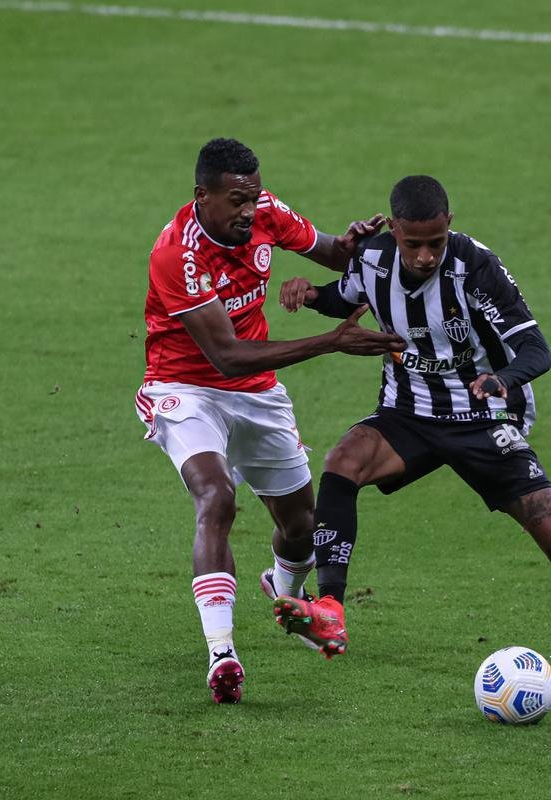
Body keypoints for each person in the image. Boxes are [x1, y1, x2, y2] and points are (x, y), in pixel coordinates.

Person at [273, 175, 551, 704]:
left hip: (484, 416)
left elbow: (535, 349)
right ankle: (331, 612)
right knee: (343, 462)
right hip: (407, 412)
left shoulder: (475, 267)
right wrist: (309, 293)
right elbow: (346, 298)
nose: (427, 255)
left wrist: (503, 379)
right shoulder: (371, 257)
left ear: (449, 226)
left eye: (436, 242)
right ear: (395, 231)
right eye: (414, 244)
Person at [134, 138, 405, 704]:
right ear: (201, 196)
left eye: (252, 199)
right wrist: (331, 341)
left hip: (256, 393)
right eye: (235, 201)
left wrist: (352, 245)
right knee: (217, 497)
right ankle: (222, 653)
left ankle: (284, 591)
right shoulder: (177, 255)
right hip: (186, 387)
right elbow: (226, 356)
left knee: (301, 526)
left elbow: (332, 253)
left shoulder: (265, 212)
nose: (247, 212)